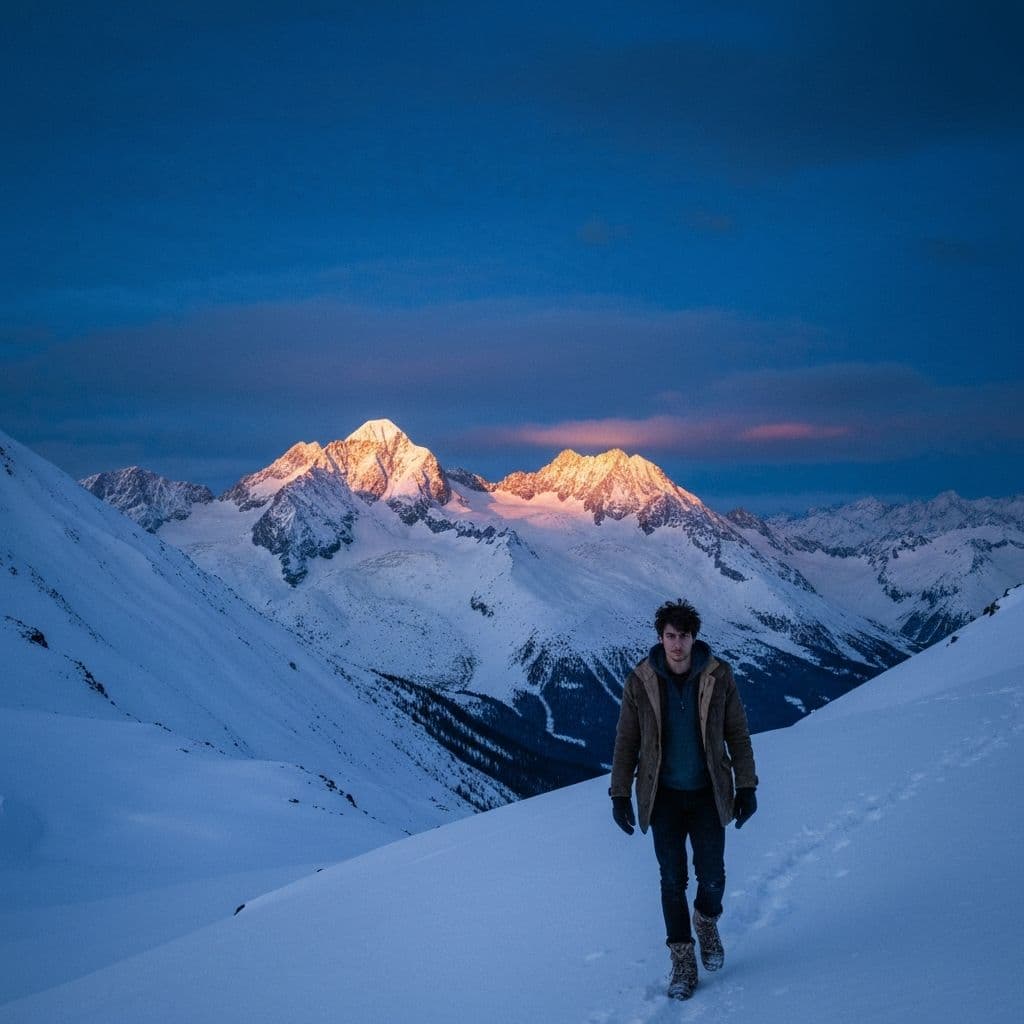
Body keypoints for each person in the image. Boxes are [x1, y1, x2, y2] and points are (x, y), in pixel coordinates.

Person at [609, 599, 758, 1000]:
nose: (677, 644)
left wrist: (746, 786)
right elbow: (626, 741)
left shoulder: (718, 676)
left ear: (694, 638)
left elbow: (737, 733)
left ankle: (705, 921)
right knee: (672, 880)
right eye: (670, 636)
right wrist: (620, 793)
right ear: (660, 638)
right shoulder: (640, 680)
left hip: (708, 793)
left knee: (713, 876)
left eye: (684, 636)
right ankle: (683, 960)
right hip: (664, 798)